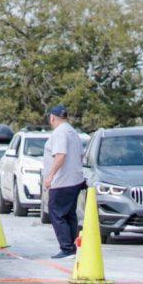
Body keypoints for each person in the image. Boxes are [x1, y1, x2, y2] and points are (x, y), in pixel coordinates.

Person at [42, 104, 85, 259]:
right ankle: (73, 246)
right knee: (69, 215)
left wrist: (50, 177)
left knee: (56, 213)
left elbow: (60, 155)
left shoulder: (59, 133)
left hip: (62, 181)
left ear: (52, 118)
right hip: (75, 179)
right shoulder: (73, 132)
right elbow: (81, 156)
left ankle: (66, 248)